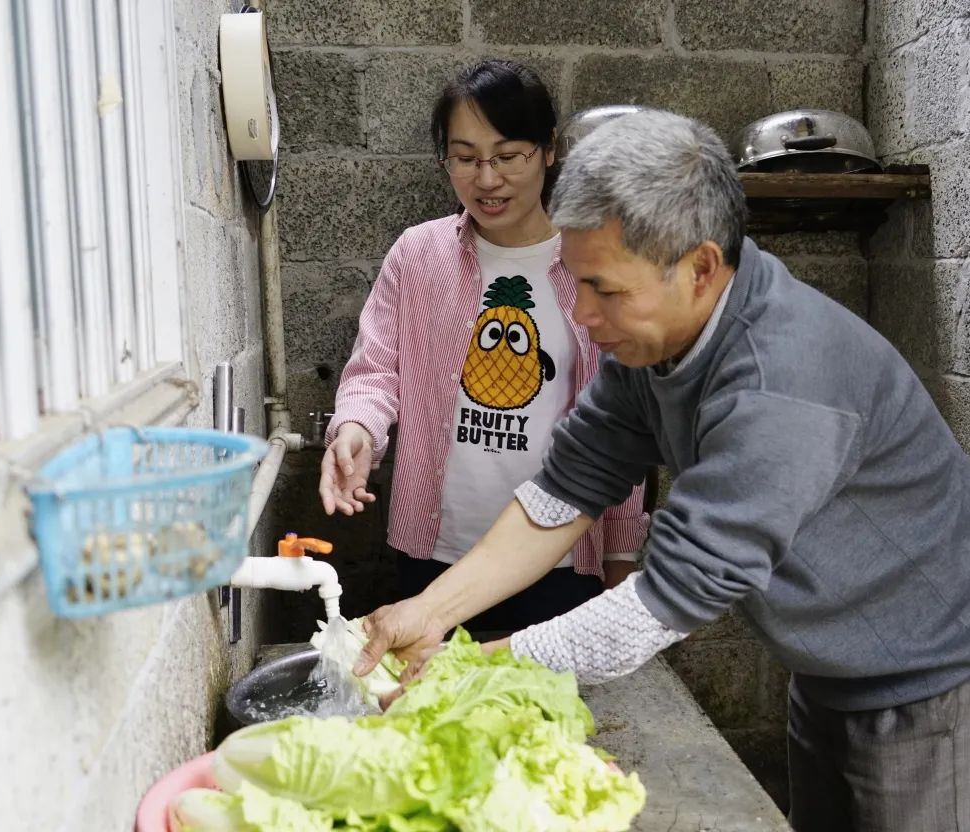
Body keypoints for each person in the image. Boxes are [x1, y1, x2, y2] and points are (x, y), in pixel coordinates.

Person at [354, 109, 970, 832]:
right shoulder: (653, 343)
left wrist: (468, 672)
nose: (583, 314)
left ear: (701, 266)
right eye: (576, 282)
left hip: (925, 687)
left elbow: (667, 599)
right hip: (829, 669)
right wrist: (428, 614)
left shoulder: (779, 382)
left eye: (605, 289)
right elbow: (563, 491)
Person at [317, 60, 648, 633]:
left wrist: (621, 553)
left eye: (507, 155)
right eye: (465, 158)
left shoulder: (592, 266)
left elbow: (622, 423)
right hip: (435, 552)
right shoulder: (418, 257)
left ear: (547, 150)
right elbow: (376, 372)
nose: (487, 179)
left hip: (560, 558)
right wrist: (356, 431)